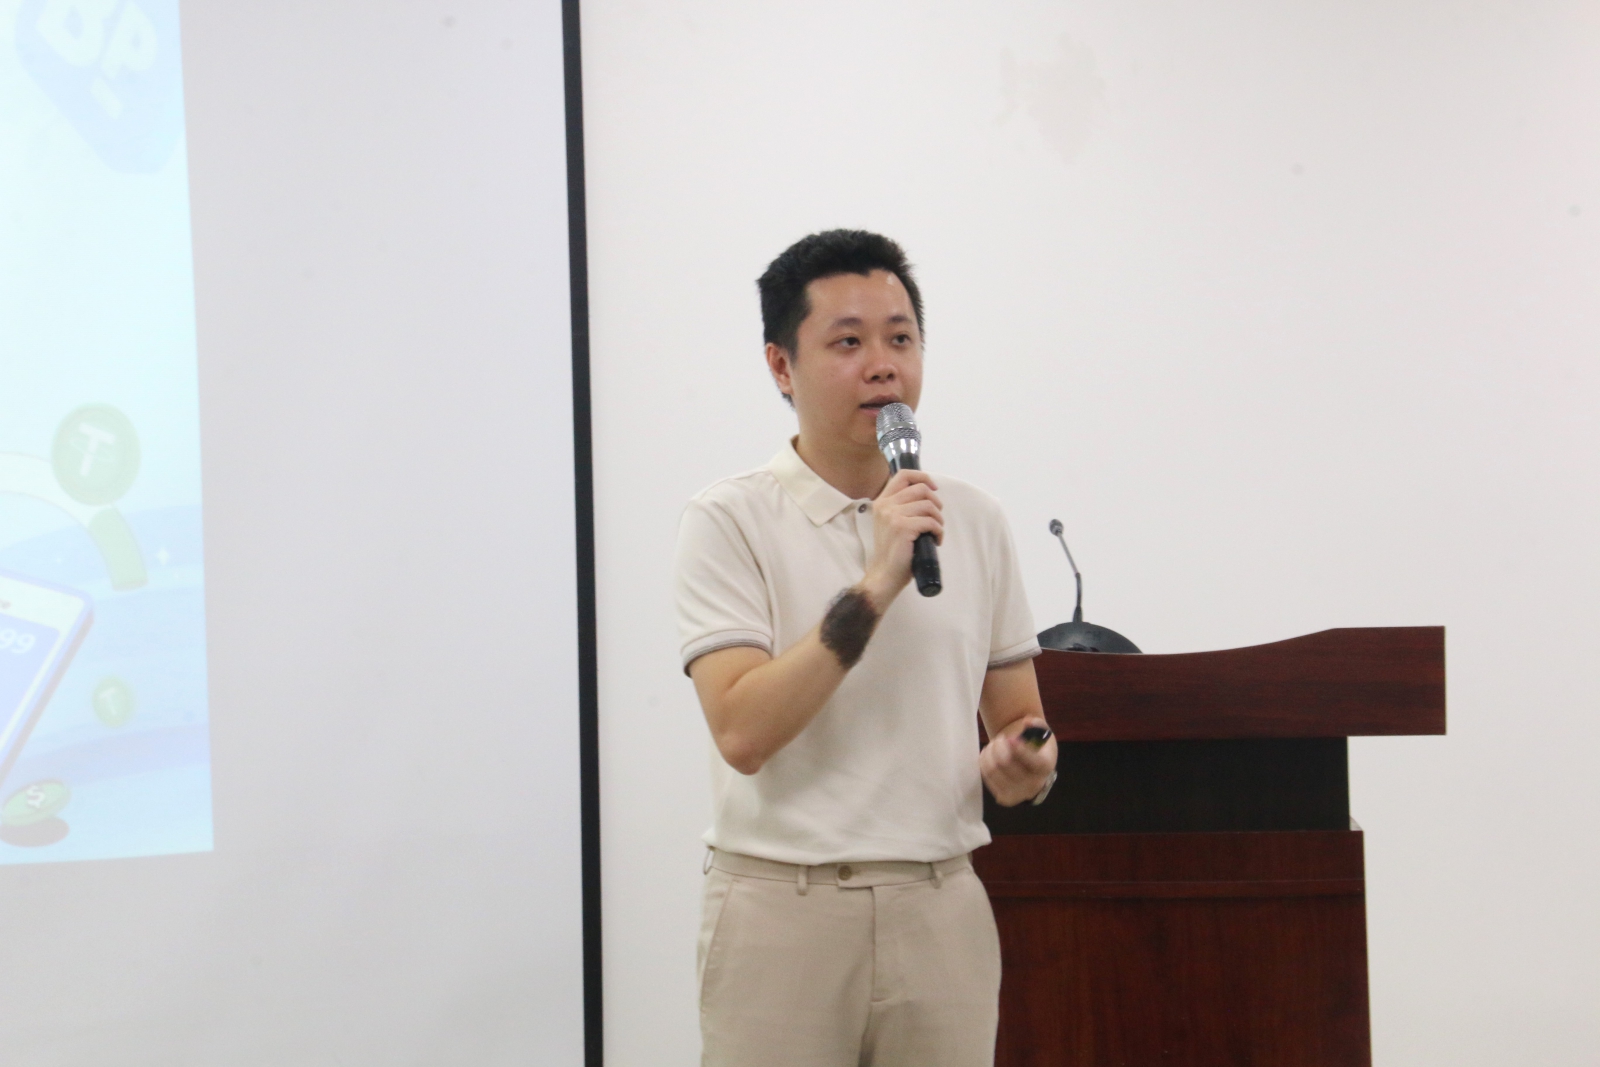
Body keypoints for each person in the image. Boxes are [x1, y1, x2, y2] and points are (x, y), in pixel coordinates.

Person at [675, 229, 1058, 1067]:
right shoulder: (728, 519)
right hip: (783, 910)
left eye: (901, 339)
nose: (883, 366)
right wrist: (878, 581)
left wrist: (1029, 760)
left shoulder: (973, 518)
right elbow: (742, 731)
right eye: (848, 342)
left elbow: (1022, 721)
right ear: (781, 366)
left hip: (941, 904)